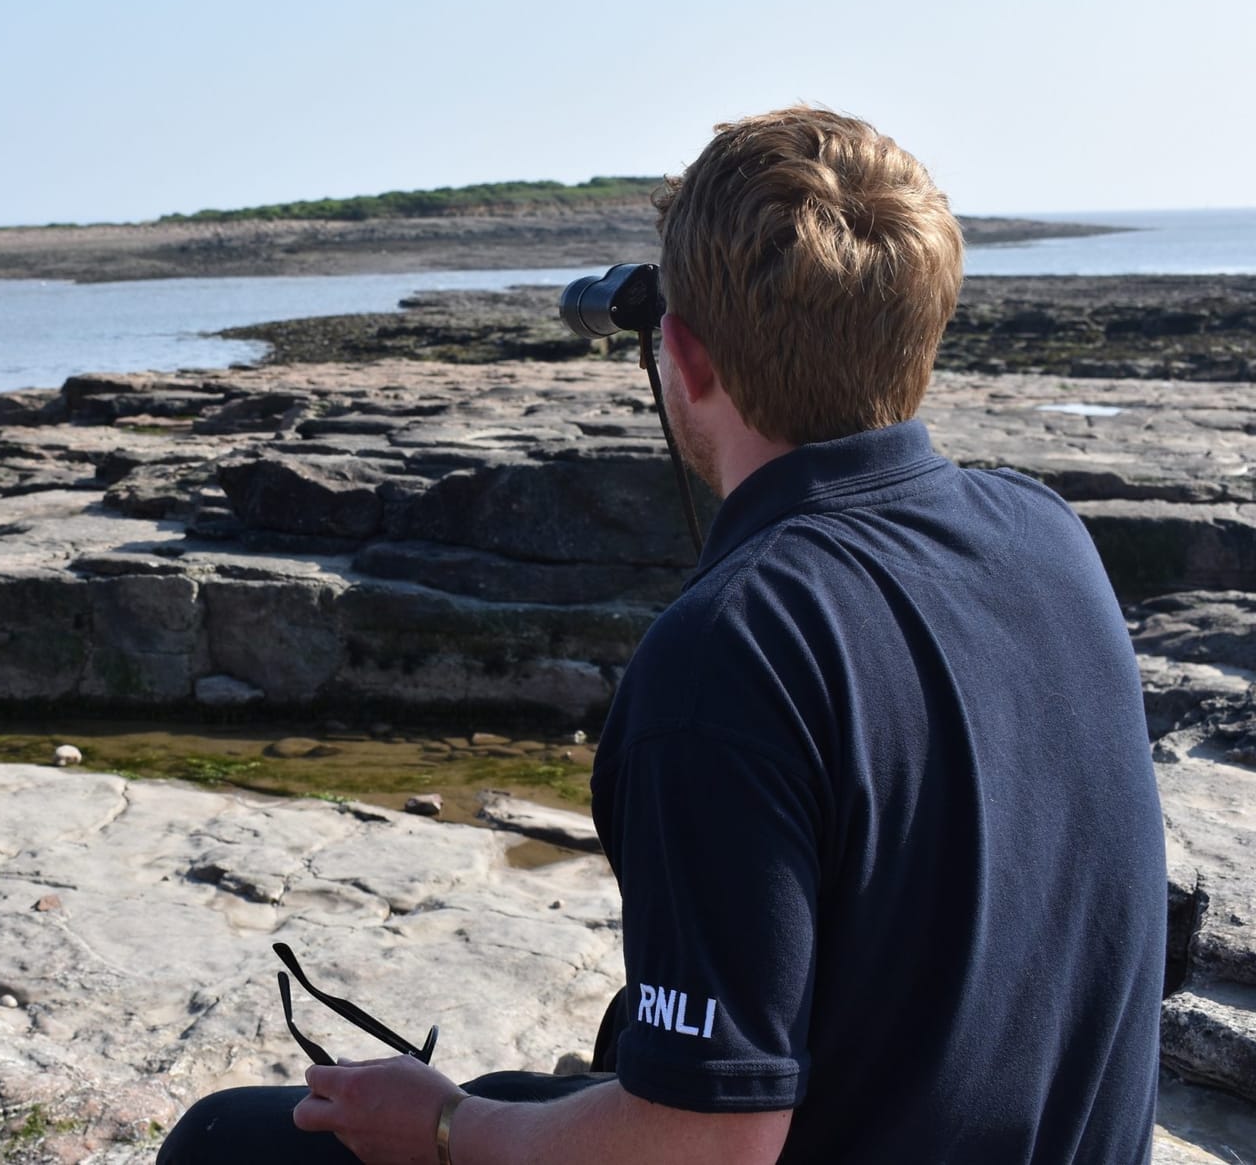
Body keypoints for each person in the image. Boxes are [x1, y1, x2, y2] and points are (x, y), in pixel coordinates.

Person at [158, 107, 1166, 1164]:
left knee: (227, 1140)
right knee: (536, 1091)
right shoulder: (1044, 532)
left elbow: (710, 1146)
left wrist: (445, 1125)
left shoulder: (730, 652)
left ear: (679, 355)